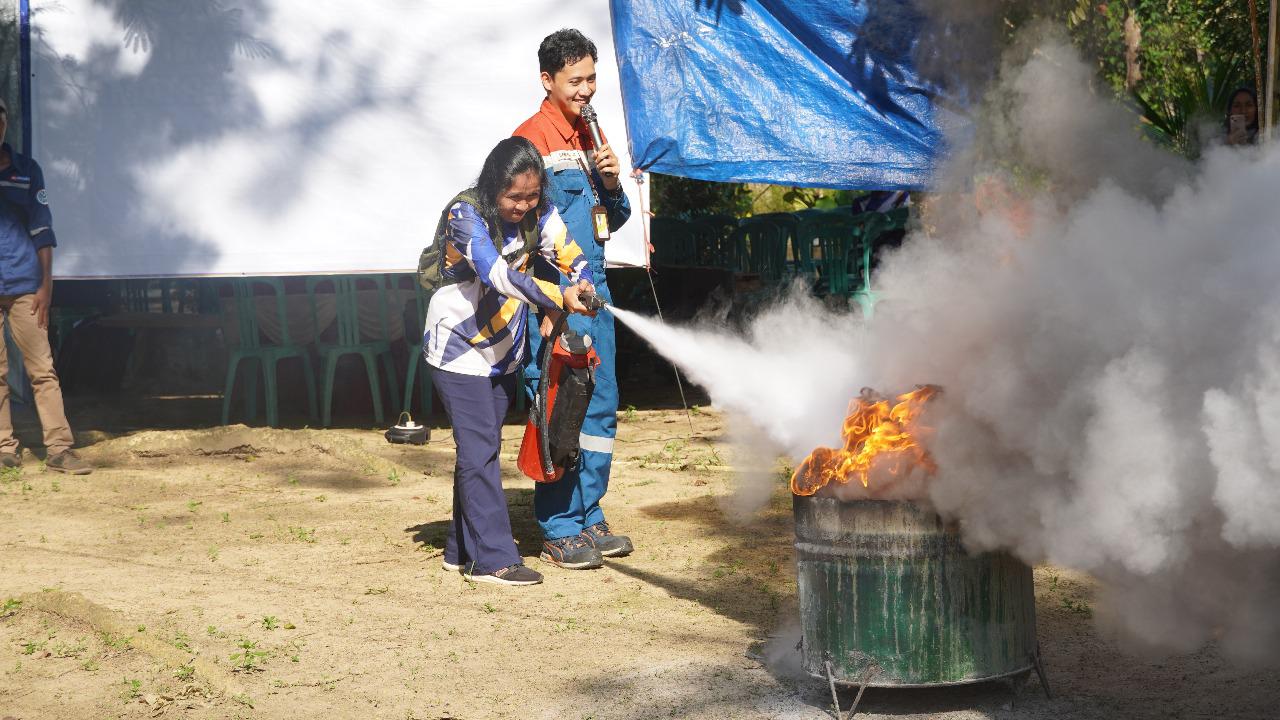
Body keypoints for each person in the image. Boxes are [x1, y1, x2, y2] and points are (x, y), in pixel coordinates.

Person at [425, 136, 595, 586]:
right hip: (457, 348)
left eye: (531, 195)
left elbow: (571, 254)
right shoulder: (465, 215)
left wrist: (583, 286)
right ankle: (494, 560)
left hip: (503, 352)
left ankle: (459, 551)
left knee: (480, 450)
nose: (522, 206)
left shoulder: (541, 214)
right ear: (491, 186)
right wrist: (557, 297)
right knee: (479, 451)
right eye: (513, 196)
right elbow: (497, 274)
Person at [513, 28, 632, 570]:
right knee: (562, 407)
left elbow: (617, 218)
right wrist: (548, 306)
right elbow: (516, 233)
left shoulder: (591, 138)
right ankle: (559, 525)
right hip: (559, 302)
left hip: (598, 296)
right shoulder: (529, 143)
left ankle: (589, 513)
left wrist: (610, 184)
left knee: (600, 404)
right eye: (575, 80)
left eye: (592, 79)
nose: (587, 90)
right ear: (548, 80)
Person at [0, 98, 91, 475]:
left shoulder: (26, 170)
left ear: (6, 123)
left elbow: (43, 230)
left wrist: (46, 288)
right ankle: (4, 449)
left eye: (0, 118)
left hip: (25, 286)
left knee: (42, 369)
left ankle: (59, 449)